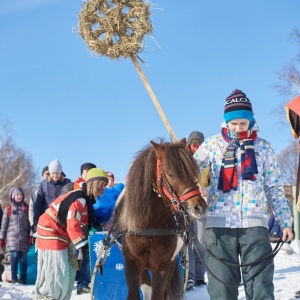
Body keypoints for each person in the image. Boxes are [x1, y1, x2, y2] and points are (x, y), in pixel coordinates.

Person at [194, 89, 293, 300]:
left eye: (243, 123)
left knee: (260, 287)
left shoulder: (263, 147)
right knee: (221, 289)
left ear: (251, 121)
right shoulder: (211, 146)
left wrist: (285, 221)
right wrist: (191, 171)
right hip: (219, 227)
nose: (238, 128)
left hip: (254, 227)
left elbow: (274, 188)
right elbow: (193, 173)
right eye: (233, 123)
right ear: (226, 122)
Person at [35, 168, 108, 300]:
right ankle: (48, 296)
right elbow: (72, 222)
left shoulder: (86, 200)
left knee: (69, 271)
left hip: (62, 234)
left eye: (105, 186)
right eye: (101, 185)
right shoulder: (79, 199)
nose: (103, 189)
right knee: (57, 271)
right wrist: (83, 246)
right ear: (93, 183)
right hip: (51, 232)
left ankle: (61, 297)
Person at [60, 162, 97, 295]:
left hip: (85, 227)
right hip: (71, 228)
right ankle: (66, 283)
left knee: (86, 256)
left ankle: (83, 284)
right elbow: (64, 206)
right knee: (72, 256)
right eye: (88, 172)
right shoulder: (71, 186)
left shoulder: (92, 188)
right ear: (83, 172)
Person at [185, 131, 207, 291]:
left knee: (200, 243)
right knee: (187, 243)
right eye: (194, 145)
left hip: (201, 205)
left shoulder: (207, 162)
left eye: (199, 145)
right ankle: (189, 277)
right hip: (186, 207)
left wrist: (206, 188)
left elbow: (208, 183)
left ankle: (200, 276)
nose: (196, 148)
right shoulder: (183, 162)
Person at [0, 187, 33, 284]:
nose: (19, 196)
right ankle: (14, 278)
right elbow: (4, 225)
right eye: (17, 195)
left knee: (23, 261)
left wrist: (31, 235)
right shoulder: (8, 209)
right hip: (12, 238)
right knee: (14, 258)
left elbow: (31, 223)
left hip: (24, 238)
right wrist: (1, 238)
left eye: (20, 195)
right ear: (13, 196)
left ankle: (23, 279)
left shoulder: (26, 208)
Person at [33, 159, 71, 229]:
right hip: (48, 219)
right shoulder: (44, 184)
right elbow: (37, 204)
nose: (55, 176)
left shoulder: (67, 183)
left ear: (61, 172)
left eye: (57, 173)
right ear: (50, 173)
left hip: (63, 219)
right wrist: (35, 222)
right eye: (53, 173)